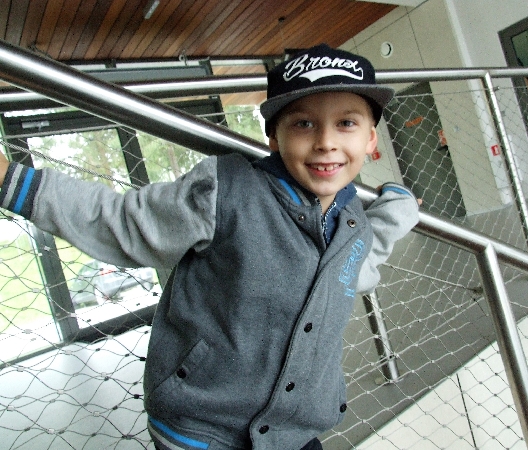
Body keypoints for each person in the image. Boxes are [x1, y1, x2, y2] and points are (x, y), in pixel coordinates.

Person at [0, 44, 419, 450]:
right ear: (274, 137)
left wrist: (400, 209)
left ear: (370, 139)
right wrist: (11, 182)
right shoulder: (223, 192)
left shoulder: (352, 220)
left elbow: (354, 270)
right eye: (303, 124)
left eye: (346, 123)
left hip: (294, 432)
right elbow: (120, 220)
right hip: (201, 430)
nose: (326, 141)